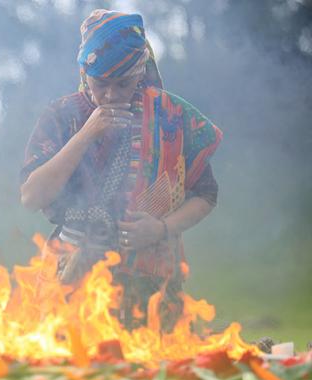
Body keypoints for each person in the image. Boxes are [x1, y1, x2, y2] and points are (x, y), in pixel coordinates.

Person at [19, 10, 222, 329]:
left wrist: (161, 228)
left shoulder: (170, 117)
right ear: (85, 73)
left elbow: (206, 195)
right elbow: (32, 197)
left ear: (140, 72)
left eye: (123, 83)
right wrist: (87, 133)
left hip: (151, 283)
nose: (111, 95)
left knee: (156, 371)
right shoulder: (63, 116)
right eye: (101, 84)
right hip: (73, 274)